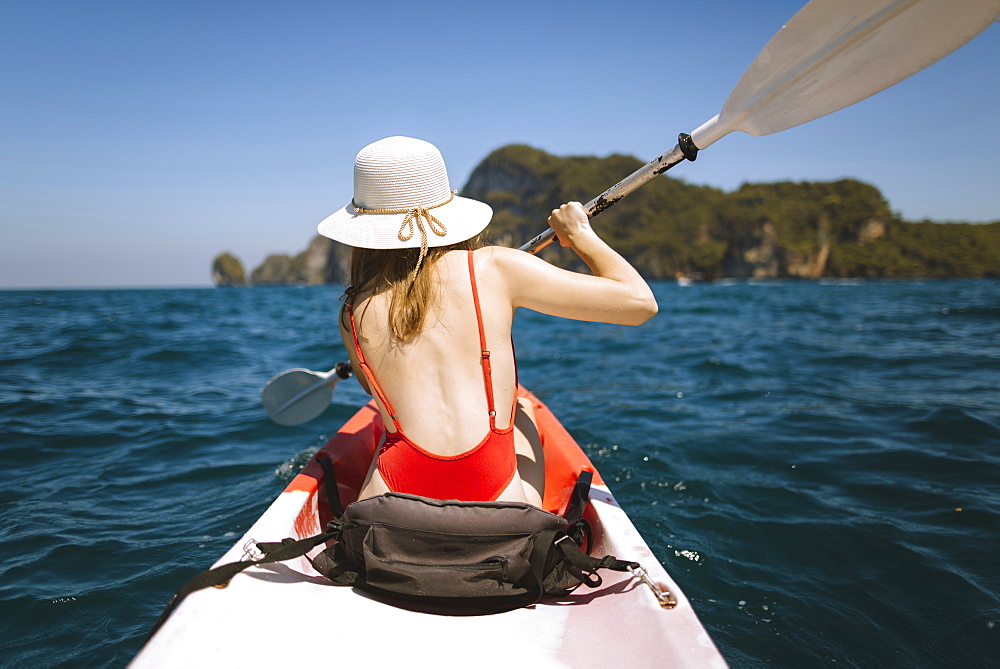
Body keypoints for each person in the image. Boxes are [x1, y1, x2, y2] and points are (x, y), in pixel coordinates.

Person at [317, 136, 656, 508]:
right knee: (522, 409)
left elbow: (374, 390)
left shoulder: (352, 311)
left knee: (390, 432)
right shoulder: (496, 266)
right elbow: (639, 303)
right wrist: (580, 236)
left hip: (394, 501)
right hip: (494, 494)